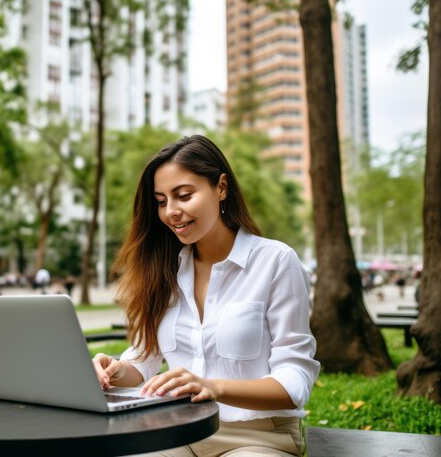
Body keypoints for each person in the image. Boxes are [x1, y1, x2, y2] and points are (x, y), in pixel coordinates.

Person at [92, 135, 319, 457]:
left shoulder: (276, 261)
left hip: (257, 436)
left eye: (183, 195)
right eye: (160, 201)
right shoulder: (164, 270)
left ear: (221, 187)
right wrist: (115, 371)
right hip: (175, 428)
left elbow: (294, 382)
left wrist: (212, 387)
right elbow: (144, 361)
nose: (171, 211)